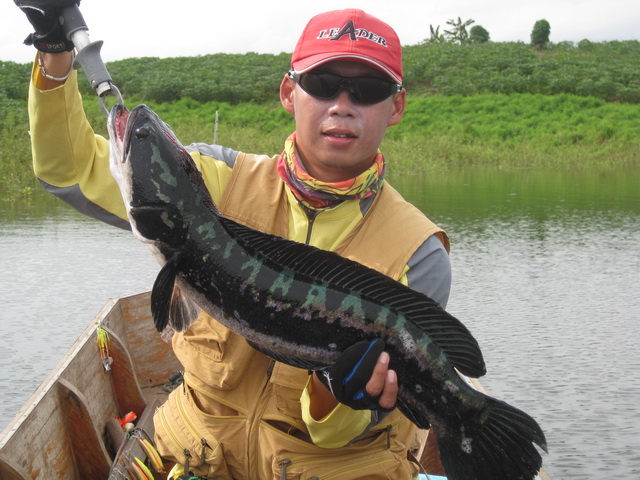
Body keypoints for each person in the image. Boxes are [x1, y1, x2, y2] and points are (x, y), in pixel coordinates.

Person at [17, 3, 452, 478]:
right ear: (290, 92)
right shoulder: (210, 181)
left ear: (397, 106)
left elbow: (338, 432)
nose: (342, 105)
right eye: (323, 85)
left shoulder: (418, 252)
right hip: (194, 457)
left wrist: (340, 396)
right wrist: (55, 57)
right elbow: (70, 170)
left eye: (368, 91)